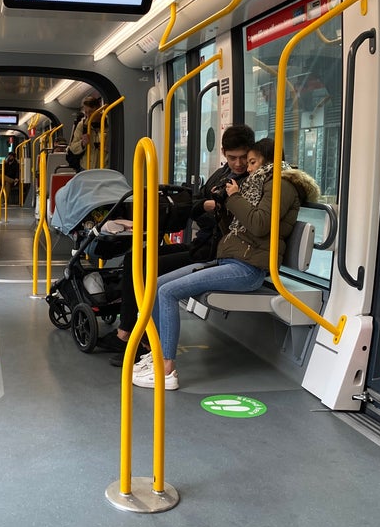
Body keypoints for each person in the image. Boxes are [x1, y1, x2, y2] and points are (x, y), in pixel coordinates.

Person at [131, 137, 320, 390]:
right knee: (157, 284)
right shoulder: (260, 185)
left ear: (267, 162)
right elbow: (240, 226)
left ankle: (166, 369)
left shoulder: (281, 185)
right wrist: (223, 204)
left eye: (252, 162)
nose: (248, 168)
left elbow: (259, 225)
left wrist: (234, 198)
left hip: (248, 269)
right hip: (232, 260)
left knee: (167, 292)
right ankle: (155, 353)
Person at [98, 123, 256, 364]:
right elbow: (196, 205)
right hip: (201, 244)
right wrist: (206, 206)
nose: (239, 163)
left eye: (243, 157)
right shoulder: (221, 174)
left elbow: (239, 221)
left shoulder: (251, 182)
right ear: (224, 153)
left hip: (215, 252)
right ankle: (126, 331)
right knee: (135, 258)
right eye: (233, 158)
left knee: (148, 270)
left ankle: (142, 341)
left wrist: (218, 208)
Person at [66, 96, 106, 170]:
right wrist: (82, 143)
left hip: (104, 168)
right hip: (86, 167)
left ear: (99, 109)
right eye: (86, 112)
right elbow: (73, 148)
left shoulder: (109, 124)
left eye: (91, 111)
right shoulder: (82, 125)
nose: (88, 115)